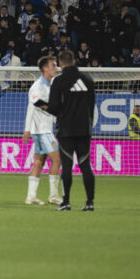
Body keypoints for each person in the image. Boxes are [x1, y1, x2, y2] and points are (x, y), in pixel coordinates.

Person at [45, 50, 96, 211]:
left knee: (67, 166)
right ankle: (89, 202)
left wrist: (50, 109)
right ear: (74, 61)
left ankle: (66, 202)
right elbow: (91, 105)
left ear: (60, 63)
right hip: (83, 130)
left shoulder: (58, 81)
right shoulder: (87, 79)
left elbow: (53, 108)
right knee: (85, 165)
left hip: (66, 130)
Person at [23, 56, 62, 206]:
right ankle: (53, 195)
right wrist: (27, 130)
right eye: (53, 65)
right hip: (41, 130)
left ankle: (31, 196)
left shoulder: (49, 85)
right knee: (57, 159)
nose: (56, 68)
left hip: (43, 129)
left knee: (39, 162)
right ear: (45, 68)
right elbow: (34, 104)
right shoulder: (38, 86)